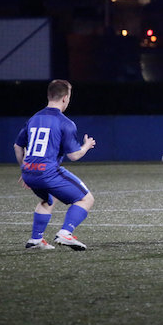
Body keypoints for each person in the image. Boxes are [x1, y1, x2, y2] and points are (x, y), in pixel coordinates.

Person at [13, 79, 96, 251]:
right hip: (47, 173)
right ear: (65, 98)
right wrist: (86, 146)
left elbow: (17, 146)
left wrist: (25, 168)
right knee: (86, 199)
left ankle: (36, 240)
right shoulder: (65, 122)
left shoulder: (34, 118)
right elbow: (74, 155)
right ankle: (65, 233)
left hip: (30, 172)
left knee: (48, 198)